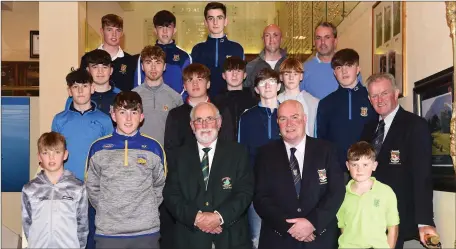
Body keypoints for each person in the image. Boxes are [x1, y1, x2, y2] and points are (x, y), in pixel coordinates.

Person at [360, 73, 438, 249]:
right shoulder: (368, 129)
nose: (379, 100)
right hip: (367, 217)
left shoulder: (415, 126)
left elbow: (422, 176)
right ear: (369, 99)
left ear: (396, 93)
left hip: (395, 217)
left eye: (384, 93)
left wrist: (424, 221)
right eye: (374, 96)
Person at [253, 99, 345, 249]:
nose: (289, 124)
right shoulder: (265, 154)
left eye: (294, 117)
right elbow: (260, 197)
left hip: (319, 239)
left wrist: (312, 223)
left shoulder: (326, 150)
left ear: (304, 119)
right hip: (279, 239)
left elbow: (336, 191)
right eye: (283, 119)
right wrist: (289, 227)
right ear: (278, 122)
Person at [163, 102, 253, 249]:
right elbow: (171, 194)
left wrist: (219, 217)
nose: (204, 125)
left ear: (219, 123)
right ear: (192, 126)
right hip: (190, 239)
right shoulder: (179, 156)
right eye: (199, 120)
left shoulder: (238, 152)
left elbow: (245, 191)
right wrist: (197, 218)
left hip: (230, 238)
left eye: (209, 119)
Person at [86, 91, 166, 249]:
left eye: (134, 112)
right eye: (122, 112)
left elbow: (160, 186)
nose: (128, 119)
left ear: (141, 116)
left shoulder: (154, 148)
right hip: (109, 233)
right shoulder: (98, 148)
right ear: (113, 115)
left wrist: (145, 209)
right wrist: (108, 208)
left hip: (146, 232)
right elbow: (92, 188)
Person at [238, 68, 282, 248]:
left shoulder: (289, 113)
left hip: (285, 187)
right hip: (257, 188)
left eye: (271, 81)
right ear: (256, 89)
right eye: (262, 83)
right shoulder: (247, 117)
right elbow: (242, 153)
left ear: (279, 86)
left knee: (284, 235)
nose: (267, 86)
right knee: (256, 238)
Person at [22, 131, 88, 249]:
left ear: (65, 155)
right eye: (46, 153)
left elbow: (82, 226)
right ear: (39, 156)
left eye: (57, 152)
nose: (51, 157)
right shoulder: (29, 189)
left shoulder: (78, 188)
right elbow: (27, 224)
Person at [317, 48, 377, 177]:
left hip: (367, 169)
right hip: (336, 171)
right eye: (339, 67)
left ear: (358, 69)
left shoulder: (372, 98)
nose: (344, 71)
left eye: (349, 65)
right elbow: (321, 140)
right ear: (334, 73)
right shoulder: (325, 103)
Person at [52, 68, 113, 181]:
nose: (80, 91)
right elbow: (54, 154)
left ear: (92, 88)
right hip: (66, 183)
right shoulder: (59, 120)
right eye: (75, 87)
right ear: (70, 91)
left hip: (95, 183)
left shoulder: (104, 120)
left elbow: (110, 156)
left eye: (84, 86)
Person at [337, 141, 399, 249]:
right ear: (347, 165)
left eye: (365, 165)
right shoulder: (341, 194)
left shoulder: (386, 192)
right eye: (354, 164)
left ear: (374, 166)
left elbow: (393, 227)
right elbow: (342, 227)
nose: (359, 170)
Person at [191, 2, 244, 98]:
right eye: (211, 18)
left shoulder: (237, 49)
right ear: (205, 22)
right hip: (204, 103)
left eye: (219, 18)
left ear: (226, 21)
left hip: (231, 103)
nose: (215, 22)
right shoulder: (197, 50)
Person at [134, 10, 192, 98]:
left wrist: (177, 103)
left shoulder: (184, 56)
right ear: (155, 30)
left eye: (168, 27)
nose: (165, 31)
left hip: (176, 106)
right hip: (150, 107)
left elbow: (189, 85)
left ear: (174, 30)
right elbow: (138, 85)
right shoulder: (144, 55)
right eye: (160, 27)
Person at [133, 45, 183, 145]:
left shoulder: (175, 98)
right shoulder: (133, 96)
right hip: (139, 154)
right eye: (148, 62)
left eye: (158, 62)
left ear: (164, 66)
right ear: (142, 67)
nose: (153, 67)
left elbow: (180, 133)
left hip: (166, 156)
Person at [300, 22, 361, 100]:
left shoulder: (349, 66)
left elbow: (359, 96)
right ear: (314, 42)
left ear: (335, 41)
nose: (322, 42)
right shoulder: (303, 69)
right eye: (318, 38)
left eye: (327, 37)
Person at [80, 14, 136, 91]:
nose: (114, 34)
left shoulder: (131, 61)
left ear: (122, 33)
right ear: (102, 31)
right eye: (109, 30)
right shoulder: (87, 58)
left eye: (118, 30)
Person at [213, 56, 257, 141]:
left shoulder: (253, 100)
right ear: (223, 75)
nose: (234, 75)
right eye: (230, 71)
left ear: (244, 75)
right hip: (224, 148)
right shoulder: (216, 102)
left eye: (238, 71)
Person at [65, 49, 121, 115]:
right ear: (88, 70)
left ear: (111, 70)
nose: (100, 71)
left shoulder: (120, 96)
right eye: (95, 67)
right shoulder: (78, 96)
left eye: (104, 67)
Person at [277, 57, 319, 137]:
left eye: (295, 74)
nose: (291, 78)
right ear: (281, 77)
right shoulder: (276, 101)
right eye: (287, 74)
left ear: (301, 77)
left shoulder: (313, 102)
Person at [244, 24, 287, 88]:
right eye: (267, 35)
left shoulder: (290, 65)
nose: (271, 39)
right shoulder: (251, 67)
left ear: (281, 39)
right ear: (263, 39)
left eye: (275, 35)